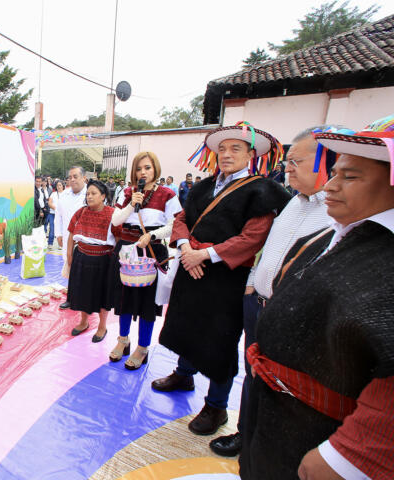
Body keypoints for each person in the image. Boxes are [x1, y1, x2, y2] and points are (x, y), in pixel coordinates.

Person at [239, 115, 394, 480]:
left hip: (319, 434)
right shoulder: (335, 234)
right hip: (280, 418)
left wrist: (347, 455)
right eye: (335, 172)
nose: (333, 185)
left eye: (350, 177)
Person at [153, 122, 291, 437]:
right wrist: (186, 248)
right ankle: (183, 374)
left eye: (236, 149)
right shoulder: (202, 187)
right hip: (191, 269)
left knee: (220, 339)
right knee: (186, 325)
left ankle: (216, 405)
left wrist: (205, 255)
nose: (226, 155)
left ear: (251, 154)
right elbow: (181, 220)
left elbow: (253, 237)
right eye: (223, 149)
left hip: (226, 279)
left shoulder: (262, 190)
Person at [209, 126, 334, 457]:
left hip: (290, 315)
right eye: (288, 160)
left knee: (283, 386)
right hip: (258, 304)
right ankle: (245, 433)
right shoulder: (293, 203)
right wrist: (253, 281)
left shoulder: (336, 212)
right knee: (254, 373)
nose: (287, 167)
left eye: (296, 161)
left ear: (325, 161)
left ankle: (269, 447)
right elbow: (268, 246)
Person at [107, 152, 182, 370]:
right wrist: (132, 203)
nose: (143, 172)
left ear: (155, 170)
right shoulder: (128, 192)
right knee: (124, 299)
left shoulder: (167, 194)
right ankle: (123, 340)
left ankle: (143, 347)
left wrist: (154, 235)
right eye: (139, 169)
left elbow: (176, 224)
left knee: (148, 303)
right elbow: (116, 220)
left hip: (151, 249)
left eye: (147, 168)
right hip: (127, 250)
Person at [66, 180, 116, 342]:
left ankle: (102, 327)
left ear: (103, 196)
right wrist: (69, 256)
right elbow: (72, 234)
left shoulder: (113, 214)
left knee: (102, 295)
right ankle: (83, 322)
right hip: (81, 257)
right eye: (88, 193)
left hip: (103, 261)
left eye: (93, 193)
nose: (89, 196)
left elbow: (119, 237)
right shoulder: (81, 212)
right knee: (82, 292)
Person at [55, 166, 88, 309]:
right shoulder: (64, 195)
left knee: (84, 269)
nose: (72, 180)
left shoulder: (91, 193)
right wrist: (59, 234)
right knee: (69, 266)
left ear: (84, 178)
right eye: (70, 177)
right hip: (67, 236)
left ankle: (84, 298)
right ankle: (70, 297)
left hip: (86, 240)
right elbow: (58, 216)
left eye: (75, 176)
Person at [34, 176, 53, 245]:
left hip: (43, 210)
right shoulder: (34, 190)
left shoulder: (41, 190)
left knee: (41, 228)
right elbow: (36, 201)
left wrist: (44, 208)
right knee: (36, 228)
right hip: (37, 212)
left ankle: (39, 243)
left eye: (39, 181)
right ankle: (35, 244)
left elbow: (44, 199)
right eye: (37, 181)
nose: (38, 183)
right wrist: (40, 211)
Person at [47, 180, 65, 250]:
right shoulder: (53, 194)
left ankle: (61, 244)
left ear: (63, 186)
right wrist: (56, 209)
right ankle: (50, 243)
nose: (59, 187)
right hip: (53, 213)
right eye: (57, 185)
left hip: (62, 215)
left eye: (60, 185)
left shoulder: (66, 194)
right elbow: (50, 203)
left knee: (62, 229)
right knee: (52, 228)